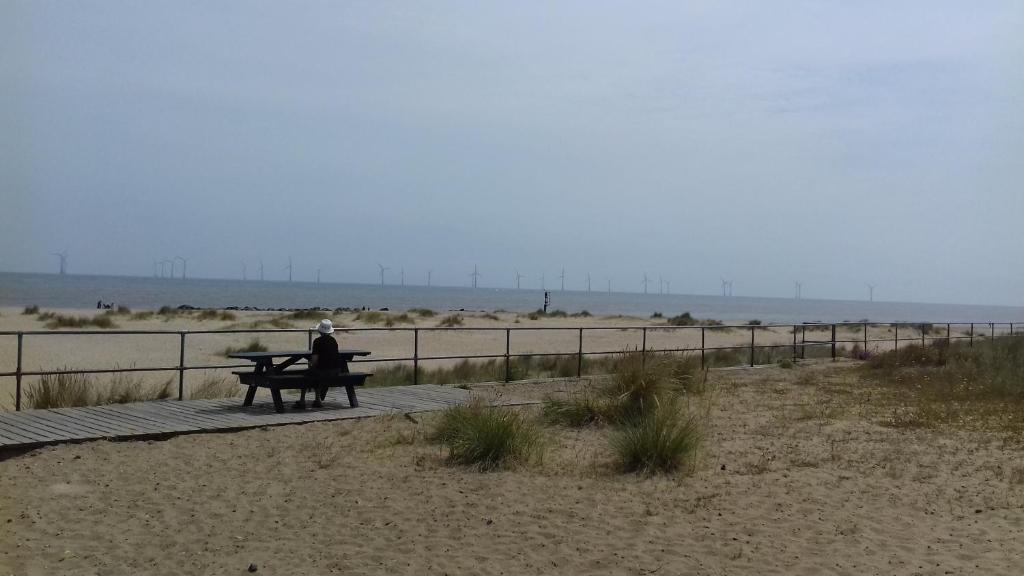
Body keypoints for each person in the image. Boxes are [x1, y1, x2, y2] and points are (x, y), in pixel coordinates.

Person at [300, 319, 339, 408]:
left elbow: (314, 360)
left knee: (306, 375)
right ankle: (317, 399)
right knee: (318, 373)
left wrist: (310, 365)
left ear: (320, 330)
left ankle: (302, 401)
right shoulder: (333, 341)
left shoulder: (317, 341)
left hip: (323, 371)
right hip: (335, 371)